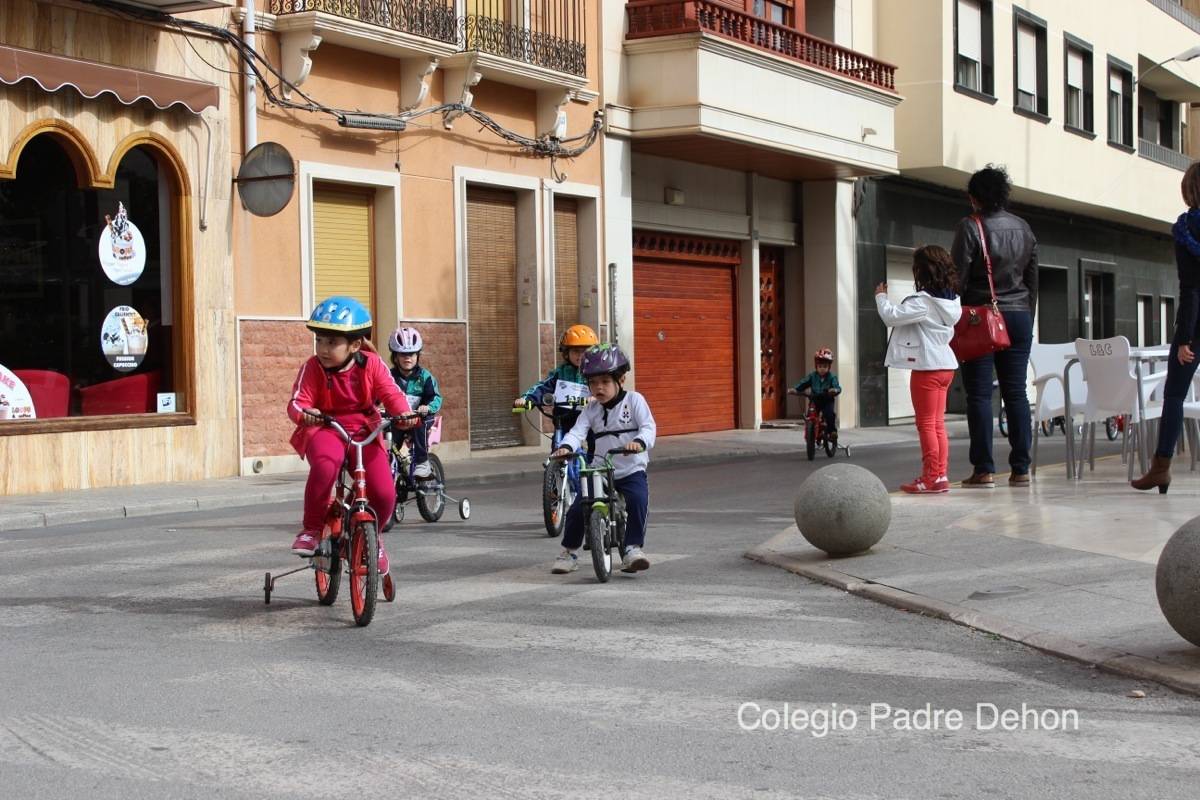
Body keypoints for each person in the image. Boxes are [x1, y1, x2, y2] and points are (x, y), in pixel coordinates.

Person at [287, 296, 412, 576]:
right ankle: (311, 529)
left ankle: (373, 538)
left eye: (332, 342)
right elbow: (296, 402)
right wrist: (305, 413)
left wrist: (404, 414)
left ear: (355, 345)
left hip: (365, 429)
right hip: (326, 427)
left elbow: (391, 393)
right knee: (325, 466)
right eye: (319, 340)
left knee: (384, 492)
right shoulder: (312, 367)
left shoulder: (371, 364)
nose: (323, 348)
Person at [950, 164, 1038, 488]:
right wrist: (1026, 316)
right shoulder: (1024, 228)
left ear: (974, 197)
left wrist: (953, 317)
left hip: (981, 317)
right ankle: (1021, 469)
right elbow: (1032, 280)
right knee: (1016, 392)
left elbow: (957, 279)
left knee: (979, 394)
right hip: (1019, 315)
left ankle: (984, 469)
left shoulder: (970, 226)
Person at [549, 343, 656, 574]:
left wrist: (639, 442)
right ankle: (569, 552)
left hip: (630, 470)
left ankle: (632, 549)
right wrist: (565, 446)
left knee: (638, 500)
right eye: (593, 382)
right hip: (599, 469)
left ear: (621, 380)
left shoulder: (634, 400)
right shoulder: (591, 409)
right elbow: (577, 432)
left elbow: (648, 428)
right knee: (578, 508)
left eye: (605, 381)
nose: (599, 387)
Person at [1132, 163, 1200, 494]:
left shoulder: (1187, 228)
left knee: (1174, 394)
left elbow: (1191, 288)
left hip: (1196, 327)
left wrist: (1185, 337)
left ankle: (1161, 468)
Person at [876, 246, 962, 494]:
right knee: (937, 424)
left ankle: (929, 478)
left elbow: (891, 316)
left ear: (922, 271)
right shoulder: (952, 300)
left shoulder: (923, 302)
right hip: (946, 366)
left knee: (926, 424)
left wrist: (881, 297)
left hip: (927, 368)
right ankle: (940, 475)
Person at [513, 324, 598, 438]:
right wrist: (527, 399)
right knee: (558, 444)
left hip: (590, 419)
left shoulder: (597, 373)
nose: (580, 355)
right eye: (576, 351)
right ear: (566, 353)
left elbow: (606, 391)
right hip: (564, 420)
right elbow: (542, 387)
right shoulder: (560, 373)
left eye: (585, 351)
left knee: (596, 445)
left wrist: (596, 398)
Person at [387, 326, 443, 479]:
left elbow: (436, 398)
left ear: (417, 355)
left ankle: (422, 462)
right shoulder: (389, 377)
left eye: (411, 354)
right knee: (386, 438)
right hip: (397, 420)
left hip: (420, 418)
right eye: (403, 354)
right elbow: (377, 397)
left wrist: (428, 407)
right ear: (395, 357)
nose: (408, 358)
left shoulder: (425, 377)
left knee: (420, 425)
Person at [788, 348, 841, 440]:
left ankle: (832, 431)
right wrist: (795, 389)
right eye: (820, 366)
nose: (822, 369)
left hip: (827, 400)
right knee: (810, 415)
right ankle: (810, 433)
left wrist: (834, 390)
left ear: (829, 367)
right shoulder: (812, 376)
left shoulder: (832, 377)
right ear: (816, 366)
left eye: (825, 366)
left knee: (829, 414)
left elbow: (837, 387)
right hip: (815, 399)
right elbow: (803, 383)